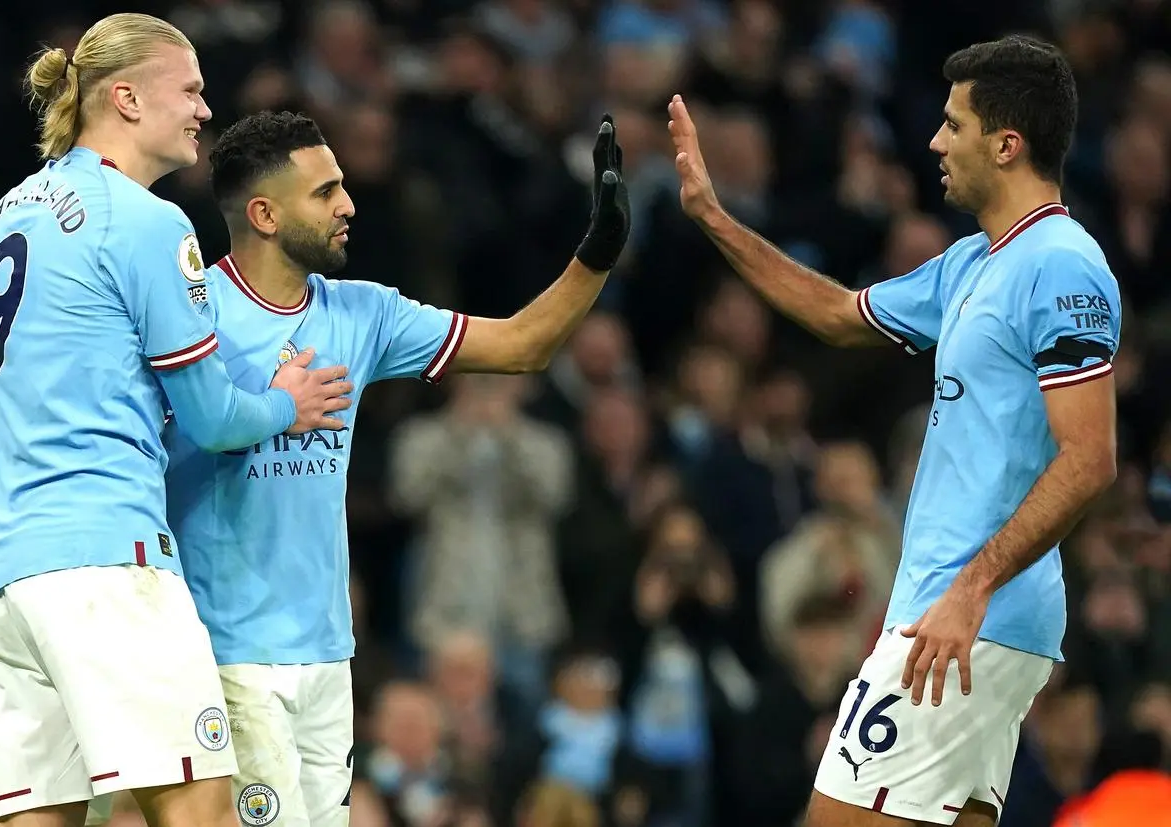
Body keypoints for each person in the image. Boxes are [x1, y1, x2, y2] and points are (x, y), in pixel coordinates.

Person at [668, 35, 1120, 827]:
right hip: (965, 617)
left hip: (966, 618)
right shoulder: (972, 263)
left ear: (1007, 144)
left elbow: (1090, 459)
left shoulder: (1063, 266)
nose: (936, 141)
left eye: (955, 125)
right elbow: (839, 315)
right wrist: (715, 219)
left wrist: (969, 590)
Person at [159, 108, 629, 827]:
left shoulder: (363, 313)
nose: (348, 204)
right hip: (230, 653)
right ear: (263, 213)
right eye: (324, 192)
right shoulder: (191, 315)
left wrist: (594, 255)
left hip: (326, 650)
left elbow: (521, 346)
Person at [0, 14, 350, 827]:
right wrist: (290, 402)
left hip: (1, 572)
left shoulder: (11, 211)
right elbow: (211, 415)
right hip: (108, 563)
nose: (206, 110)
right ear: (128, 97)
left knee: (44, 816)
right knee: (201, 811)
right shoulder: (145, 221)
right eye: (193, 89)